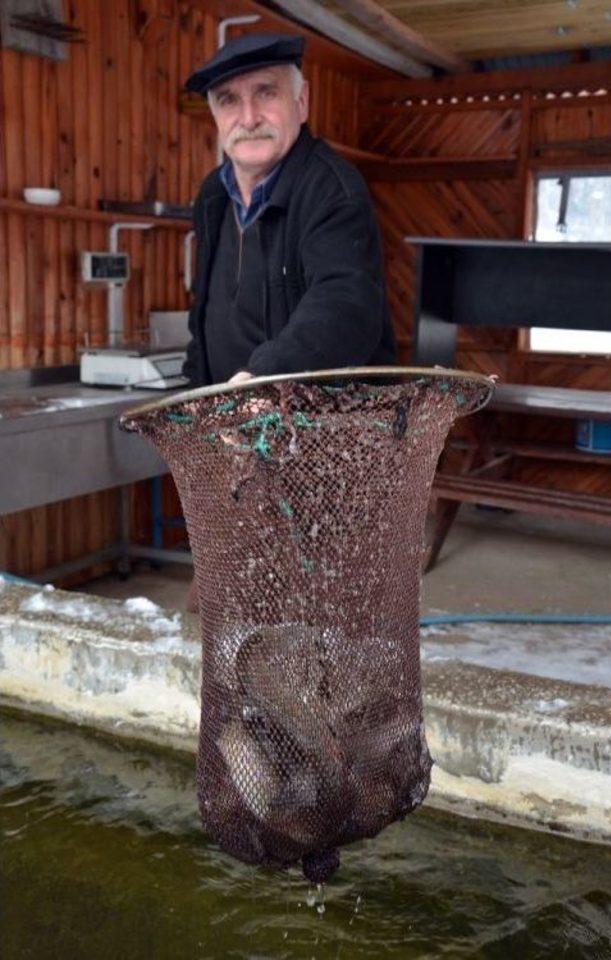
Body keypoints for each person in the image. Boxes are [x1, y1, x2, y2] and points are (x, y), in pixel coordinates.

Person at [182, 31, 396, 612]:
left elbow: (346, 307)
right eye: (229, 100)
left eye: (265, 93)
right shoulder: (213, 195)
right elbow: (207, 307)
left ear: (300, 104)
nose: (248, 116)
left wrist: (263, 376)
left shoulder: (330, 188)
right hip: (239, 448)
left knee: (321, 618)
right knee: (221, 612)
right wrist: (190, 392)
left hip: (327, 454)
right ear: (215, 117)